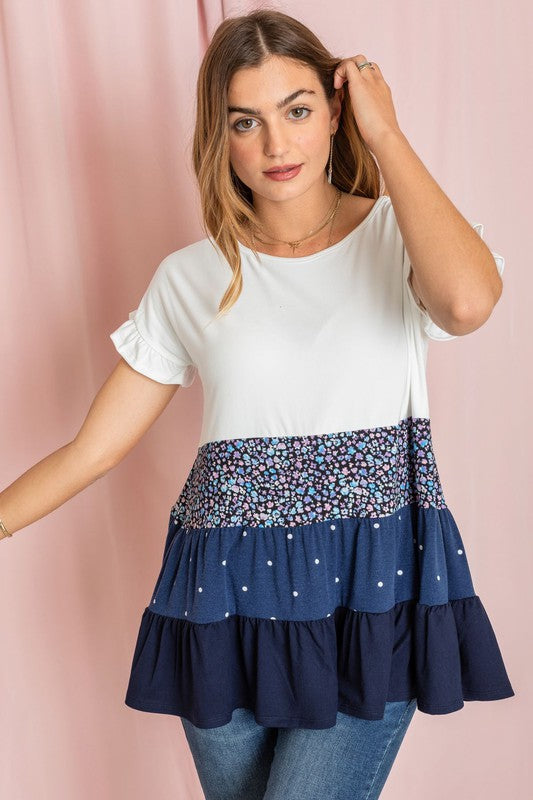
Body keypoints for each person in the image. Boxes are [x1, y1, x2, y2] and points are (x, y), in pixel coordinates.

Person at [0, 8, 514, 800]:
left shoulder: (396, 238)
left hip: (367, 595)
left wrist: (387, 137)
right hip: (220, 599)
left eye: (298, 110)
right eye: (248, 121)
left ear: (336, 114)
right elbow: (92, 450)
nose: (277, 145)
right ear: (221, 135)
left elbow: (468, 302)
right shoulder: (189, 277)